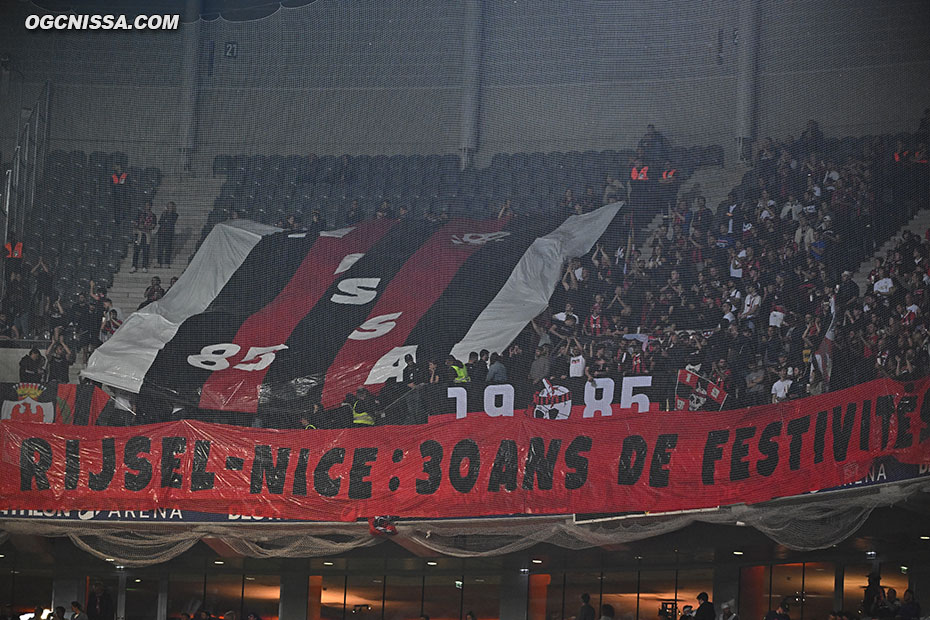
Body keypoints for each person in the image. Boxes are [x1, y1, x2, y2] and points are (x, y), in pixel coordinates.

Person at [131, 201, 157, 273]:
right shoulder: (140, 214)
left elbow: (153, 225)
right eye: (146, 205)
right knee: (136, 250)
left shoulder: (153, 216)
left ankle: (144, 266)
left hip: (147, 235)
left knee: (146, 251)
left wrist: (147, 227)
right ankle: (134, 266)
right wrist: (138, 225)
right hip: (139, 234)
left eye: (148, 205)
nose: (147, 207)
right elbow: (134, 222)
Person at [155, 201, 179, 268]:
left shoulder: (175, 215)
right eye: (169, 206)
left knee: (168, 248)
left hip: (169, 233)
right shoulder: (164, 214)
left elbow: (171, 222)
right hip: (162, 233)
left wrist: (166, 219)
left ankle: (167, 262)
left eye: (171, 206)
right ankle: (159, 262)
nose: (170, 208)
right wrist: (164, 214)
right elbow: (160, 222)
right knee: (160, 248)